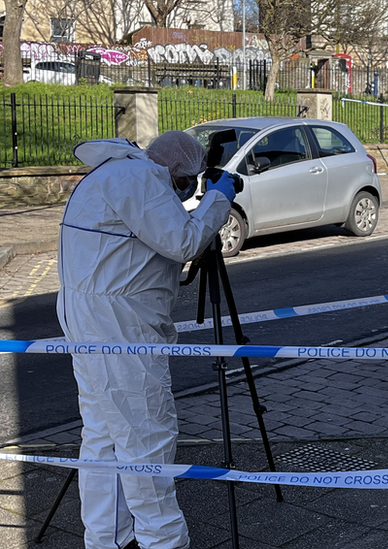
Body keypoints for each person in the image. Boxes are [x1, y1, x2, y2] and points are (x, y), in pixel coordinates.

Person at [57, 132, 236, 549]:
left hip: (94, 318)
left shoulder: (117, 173)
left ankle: (107, 539)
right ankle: (163, 541)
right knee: (146, 439)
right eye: (189, 182)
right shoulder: (139, 179)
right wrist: (219, 198)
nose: (190, 189)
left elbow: (156, 237)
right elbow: (184, 241)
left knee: (104, 436)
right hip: (119, 325)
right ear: (175, 172)